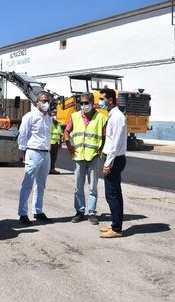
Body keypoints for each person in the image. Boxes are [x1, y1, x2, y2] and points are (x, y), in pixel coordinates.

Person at [64, 92, 106, 225]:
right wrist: (69, 145)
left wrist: (101, 149)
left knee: (93, 187)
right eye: (81, 103)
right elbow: (66, 131)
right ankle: (80, 212)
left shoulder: (101, 118)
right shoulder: (75, 116)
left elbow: (105, 136)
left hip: (93, 156)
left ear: (92, 103)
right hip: (78, 156)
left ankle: (92, 213)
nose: (83, 105)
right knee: (78, 186)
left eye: (86, 103)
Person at [17, 91, 53, 225]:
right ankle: (23, 213)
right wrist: (22, 152)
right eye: (43, 101)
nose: (46, 103)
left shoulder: (48, 118)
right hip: (33, 152)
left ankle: (38, 210)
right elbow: (23, 134)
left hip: (45, 152)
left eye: (47, 101)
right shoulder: (30, 116)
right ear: (37, 102)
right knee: (28, 184)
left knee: (41, 185)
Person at [98, 88, 127, 238]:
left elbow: (114, 143)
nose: (100, 102)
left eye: (102, 99)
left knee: (112, 194)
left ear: (110, 99)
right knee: (115, 192)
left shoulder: (116, 117)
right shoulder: (113, 115)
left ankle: (116, 229)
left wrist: (107, 163)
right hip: (114, 158)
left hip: (114, 159)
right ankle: (115, 223)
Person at [49, 109, 62, 174]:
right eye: (53, 113)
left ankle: (52, 169)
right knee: (49, 157)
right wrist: (51, 120)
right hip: (50, 142)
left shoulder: (58, 123)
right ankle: (47, 169)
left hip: (56, 142)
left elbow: (59, 133)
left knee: (54, 157)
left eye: (55, 113)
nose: (54, 115)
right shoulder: (49, 122)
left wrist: (60, 143)